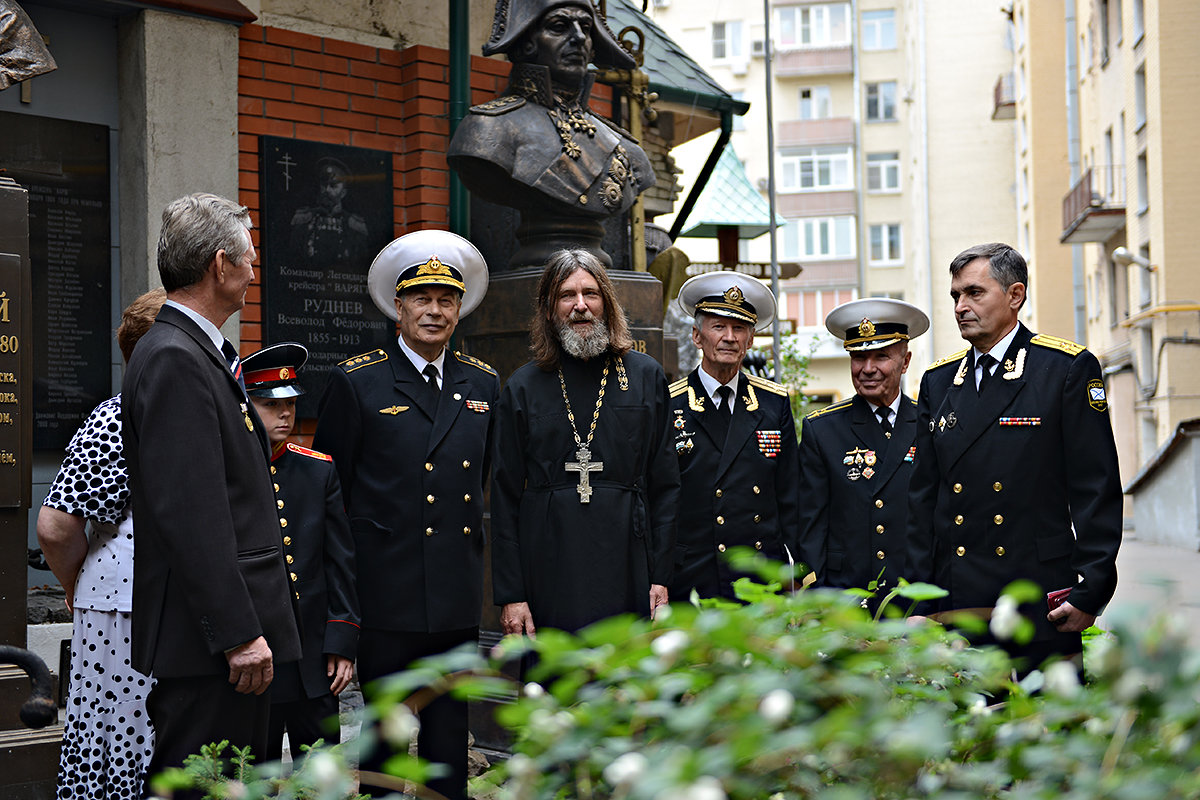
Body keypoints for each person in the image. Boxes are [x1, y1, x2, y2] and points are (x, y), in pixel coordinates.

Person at [121, 193, 301, 786]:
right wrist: (239, 634)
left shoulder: (191, 350)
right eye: (249, 259)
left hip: (220, 643)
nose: (254, 272)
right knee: (205, 783)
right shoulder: (176, 356)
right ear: (220, 265)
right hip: (213, 649)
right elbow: (191, 514)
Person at [313, 229, 497, 800]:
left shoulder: (483, 383)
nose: (435, 311)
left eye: (447, 300)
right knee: (387, 747)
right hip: (385, 597)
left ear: (459, 310)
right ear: (399, 306)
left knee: (448, 742)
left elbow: (484, 478)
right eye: (423, 298)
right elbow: (329, 497)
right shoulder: (357, 380)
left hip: (454, 600)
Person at [904, 242, 1123, 669]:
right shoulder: (938, 381)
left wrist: (1091, 591)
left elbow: (1094, 487)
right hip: (958, 597)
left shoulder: (1064, 369)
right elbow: (923, 501)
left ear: (1015, 295)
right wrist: (918, 596)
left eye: (974, 293)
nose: (961, 306)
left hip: (1038, 595)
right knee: (970, 727)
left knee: (1048, 724)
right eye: (955, 296)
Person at [491, 249, 679, 635]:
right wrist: (512, 594)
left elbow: (667, 485)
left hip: (630, 564)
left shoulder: (645, 376)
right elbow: (504, 497)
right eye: (566, 295)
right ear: (548, 309)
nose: (580, 306)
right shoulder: (523, 386)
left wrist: (662, 577)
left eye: (591, 294)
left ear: (607, 304)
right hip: (549, 570)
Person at [36, 288, 164, 800]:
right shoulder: (115, 418)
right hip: (122, 606)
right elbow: (55, 526)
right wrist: (74, 584)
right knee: (123, 739)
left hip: (140, 600)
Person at [446, 0, 654, 266]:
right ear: (527, 42)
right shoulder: (487, 129)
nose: (579, 37)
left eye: (586, 28)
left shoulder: (628, 149)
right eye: (559, 26)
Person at [241, 343, 359, 764]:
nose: (285, 414)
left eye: (290, 403)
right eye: (271, 404)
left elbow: (340, 562)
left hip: (313, 659)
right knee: (257, 775)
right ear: (246, 405)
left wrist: (342, 640)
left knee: (320, 775)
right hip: (256, 656)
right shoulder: (229, 471)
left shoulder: (318, 468)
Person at [667, 272, 799, 601]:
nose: (729, 337)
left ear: (751, 340)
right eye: (718, 327)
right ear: (697, 336)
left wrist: (797, 574)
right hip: (694, 577)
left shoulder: (773, 403)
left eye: (739, 328)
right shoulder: (670, 404)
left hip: (760, 577)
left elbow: (792, 497)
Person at [795, 298, 930, 610]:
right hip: (845, 598)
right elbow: (810, 526)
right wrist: (817, 599)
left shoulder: (929, 423)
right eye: (858, 357)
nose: (868, 369)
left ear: (905, 361)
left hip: (913, 596)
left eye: (881, 356)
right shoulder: (822, 430)